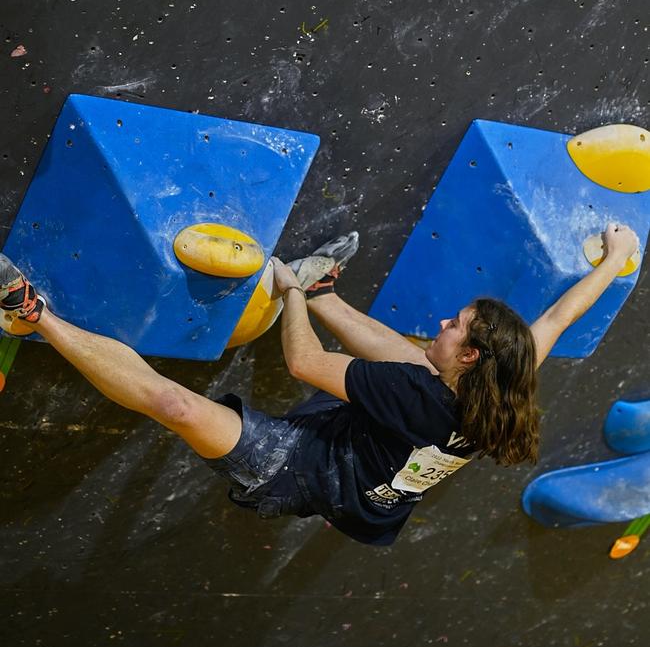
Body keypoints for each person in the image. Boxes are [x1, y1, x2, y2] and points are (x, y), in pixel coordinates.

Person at [0, 223, 640, 545]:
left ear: (472, 356)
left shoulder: (421, 397)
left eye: (456, 326)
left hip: (298, 469)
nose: (444, 322)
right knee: (416, 359)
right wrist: (614, 261)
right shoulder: (502, 381)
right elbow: (556, 317)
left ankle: (30, 315)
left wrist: (290, 295)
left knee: (174, 403)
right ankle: (324, 287)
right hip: (370, 469)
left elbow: (304, 363)